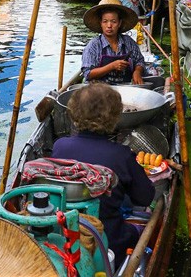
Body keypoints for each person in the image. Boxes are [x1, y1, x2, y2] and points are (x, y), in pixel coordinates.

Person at [51, 82, 155, 263]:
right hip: (108, 239)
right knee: (139, 226)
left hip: (65, 233)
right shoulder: (122, 155)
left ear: (75, 114)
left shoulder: (59, 146)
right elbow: (145, 198)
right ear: (115, 117)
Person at [81, 0, 145, 85]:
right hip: (100, 91)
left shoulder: (128, 42)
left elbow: (140, 61)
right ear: (100, 23)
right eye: (105, 21)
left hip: (125, 88)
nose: (109, 26)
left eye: (113, 22)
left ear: (119, 23)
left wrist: (137, 72)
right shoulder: (93, 45)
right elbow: (87, 74)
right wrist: (111, 66)